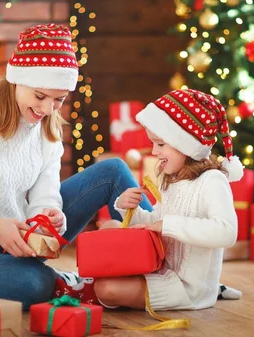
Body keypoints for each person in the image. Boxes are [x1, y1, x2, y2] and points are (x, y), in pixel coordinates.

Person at [0, 23, 151, 311]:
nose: (47, 109)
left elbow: (44, 197)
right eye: (40, 96)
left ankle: (163, 265)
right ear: (16, 80)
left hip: (22, 243)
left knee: (113, 171)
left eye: (59, 100)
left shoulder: (47, 128)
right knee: (35, 284)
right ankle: (81, 285)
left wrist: (48, 218)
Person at [92, 89, 244, 310]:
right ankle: (94, 281)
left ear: (186, 144)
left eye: (160, 144)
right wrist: (129, 210)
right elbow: (156, 220)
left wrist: (167, 225)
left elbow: (227, 232)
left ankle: (213, 290)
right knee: (110, 226)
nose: (154, 151)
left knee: (106, 290)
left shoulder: (212, 181)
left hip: (186, 287)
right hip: (160, 268)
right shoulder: (172, 179)